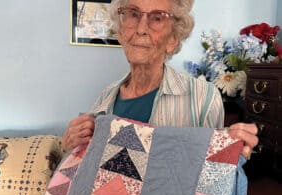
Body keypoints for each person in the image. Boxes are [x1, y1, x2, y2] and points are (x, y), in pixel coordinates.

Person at [62, 0, 258, 163]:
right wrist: (70, 145)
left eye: (157, 18)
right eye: (133, 14)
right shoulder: (104, 99)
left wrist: (235, 147)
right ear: (120, 33)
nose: (141, 29)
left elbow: (211, 174)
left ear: (173, 39)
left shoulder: (203, 97)